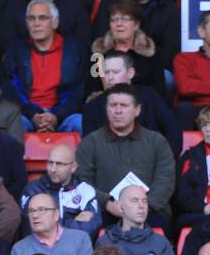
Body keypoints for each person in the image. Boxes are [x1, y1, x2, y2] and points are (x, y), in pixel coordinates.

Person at [75, 84, 175, 228]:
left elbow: (165, 180)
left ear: (137, 110)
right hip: (105, 212)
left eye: (124, 105)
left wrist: (143, 206)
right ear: (106, 108)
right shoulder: (90, 143)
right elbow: (82, 181)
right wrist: (107, 204)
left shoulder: (156, 141)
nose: (118, 110)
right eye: (113, 105)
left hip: (150, 211)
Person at [2, 0, 85, 134]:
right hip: (28, 115)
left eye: (42, 18)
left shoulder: (75, 50)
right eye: (31, 18)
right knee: (14, 123)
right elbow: (11, 89)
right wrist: (33, 114)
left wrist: (56, 116)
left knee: (80, 122)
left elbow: (78, 90)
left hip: (64, 116)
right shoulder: (16, 50)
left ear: (55, 22)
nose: (36, 23)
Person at [92, 0, 177, 76]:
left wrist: (139, 70)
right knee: (94, 74)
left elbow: (170, 53)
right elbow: (98, 45)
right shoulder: (108, 4)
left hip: (151, 70)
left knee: (167, 77)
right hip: (113, 69)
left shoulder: (169, 9)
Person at [81, 49, 180, 148]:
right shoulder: (92, 108)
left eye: (116, 72)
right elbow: (90, 148)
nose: (110, 77)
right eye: (106, 73)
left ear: (130, 73)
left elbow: (173, 129)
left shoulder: (149, 96)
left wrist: (165, 161)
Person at [11, 192, 94, 255]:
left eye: (41, 210)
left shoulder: (80, 239)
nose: (35, 215)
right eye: (31, 211)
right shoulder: (19, 249)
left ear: (56, 214)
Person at [18, 142, 101, 238]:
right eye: (50, 163)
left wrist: (50, 223)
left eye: (59, 164)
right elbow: (30, 229)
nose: (53, 169)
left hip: (75, 249)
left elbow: (91, 228)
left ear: (73, 167)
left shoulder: (85, 190)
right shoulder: (33, 190)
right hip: (40, 249)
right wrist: (73, 221)